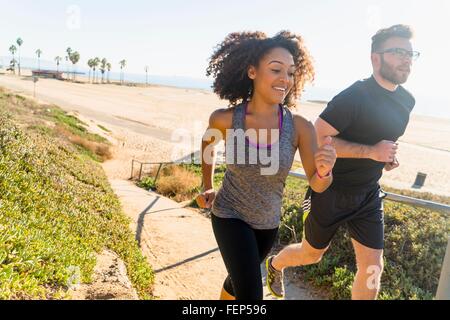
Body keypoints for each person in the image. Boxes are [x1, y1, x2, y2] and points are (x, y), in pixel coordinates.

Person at [266, 24, 419, 300]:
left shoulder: (407, 102)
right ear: (376, 58)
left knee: (373, 267)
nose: (407, 59)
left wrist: (386, 158)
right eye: (398, 52)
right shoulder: (354, 96)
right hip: (330, 190)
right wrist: (372, 151)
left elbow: (382, 139)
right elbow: (316, 139)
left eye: (410, 53)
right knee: (311, 255)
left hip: (368, 195)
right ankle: (276, 264)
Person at [196, 31, 337, 300]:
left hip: (267, 225)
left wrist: (324, 170)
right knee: (251, 294)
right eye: (276, 69)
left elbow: (318, 183)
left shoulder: (299, 127)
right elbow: (208, 146)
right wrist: (207, 185)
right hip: (229, 215)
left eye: (291, 73)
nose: (285, 79)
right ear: (252, 71)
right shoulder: (225, 119)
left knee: (237, 283)